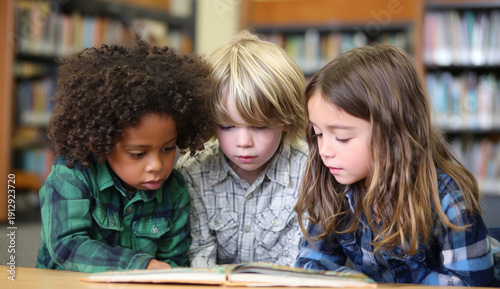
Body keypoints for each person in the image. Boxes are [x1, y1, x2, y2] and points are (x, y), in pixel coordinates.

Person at [294, 43, 495, 286]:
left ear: (392, 134)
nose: (324, 151)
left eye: (342, 137)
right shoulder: (334, 184)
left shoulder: (447, 197)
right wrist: (358, 282)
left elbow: (474, 285)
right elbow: (310, 267)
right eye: (317, 133)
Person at [36, 37, 215, 273]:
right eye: (138, 153)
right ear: (101, 143)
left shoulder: (175, 190)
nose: (156, 165)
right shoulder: (72, 176)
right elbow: (66, 246)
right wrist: (141, 265)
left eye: (168, 148)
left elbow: (173, 260)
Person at [175, 31, 308, 267]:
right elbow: (199, 257)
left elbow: (299, 263)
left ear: (286, 119)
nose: (243, 141)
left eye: (258, 127)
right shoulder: (193, 172)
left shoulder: (308, 172)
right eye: (227, 126)